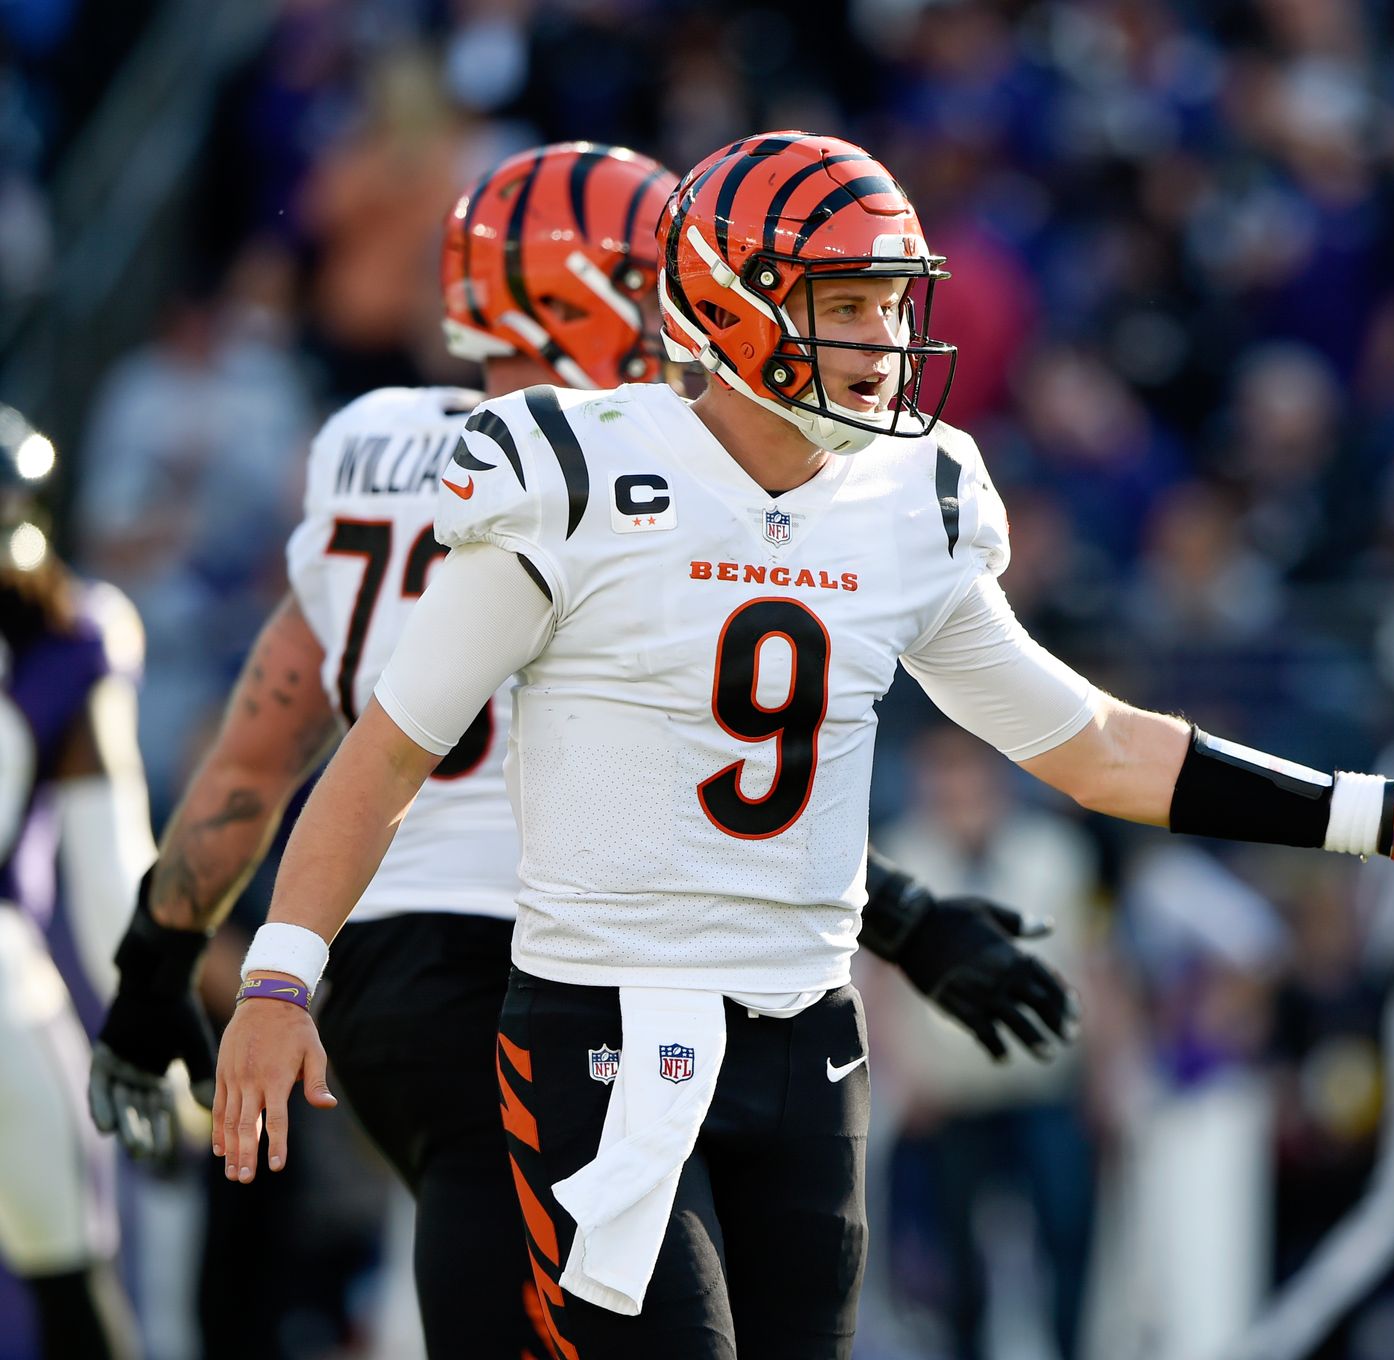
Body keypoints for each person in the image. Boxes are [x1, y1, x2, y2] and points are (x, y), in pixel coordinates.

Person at [210, 131, 1394, 1359]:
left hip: (809, 1043)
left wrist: (1382, 818)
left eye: (888, 303)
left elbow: (1093, 743)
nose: (882, 340)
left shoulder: (906, 502)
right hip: (601, 1035)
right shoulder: (571, 475)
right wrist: (278, 979)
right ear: (730, 303)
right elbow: (382, 753)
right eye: (846, 304)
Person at [87, 141, 1076, 1359]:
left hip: (383, 976)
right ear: (587, 298)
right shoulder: (601, 471)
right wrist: (912, 917)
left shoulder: (377, 447)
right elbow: (691, 777)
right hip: (539, 973)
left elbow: (256, 754)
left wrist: (153, 967)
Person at [0, 406, 151, 1359]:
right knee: (71, 1283)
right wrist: (149, 1023)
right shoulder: (70, 637)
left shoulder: (65, 642)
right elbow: (106, 877)